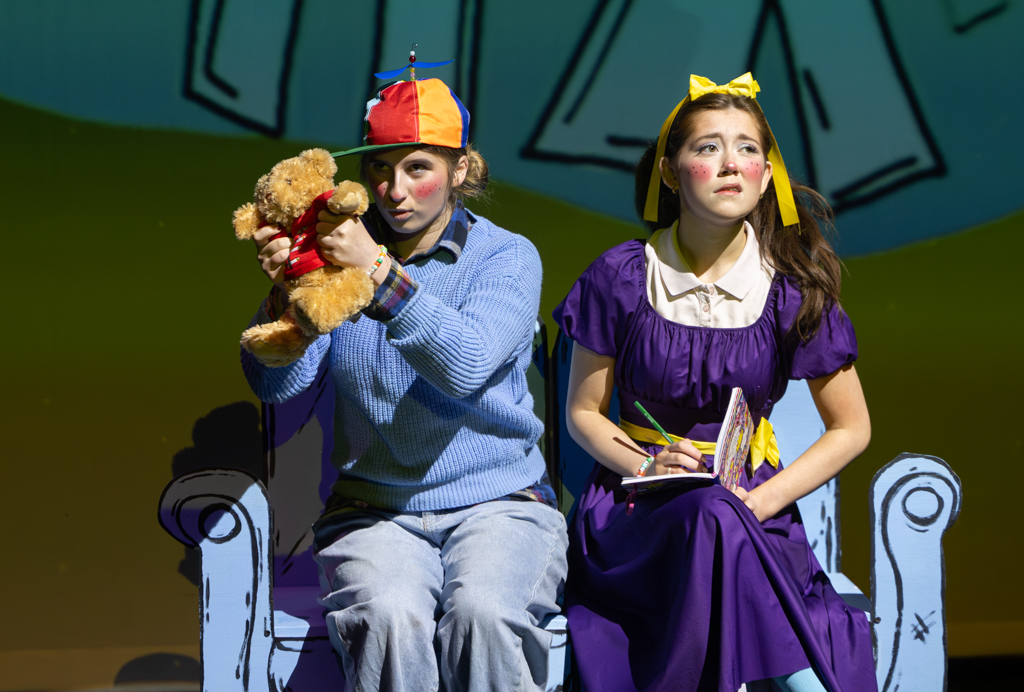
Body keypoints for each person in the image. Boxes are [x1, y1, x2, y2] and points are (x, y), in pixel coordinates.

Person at [242, 77, 568, 692]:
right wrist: (290, 295)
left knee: (485, 614)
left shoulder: (506, 257)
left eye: (418, 166)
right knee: (389, 615)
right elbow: (277, 387)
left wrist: (377, 272)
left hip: (502, 505)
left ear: (461, 168)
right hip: (375, 511)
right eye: (380, 169)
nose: (393, 190)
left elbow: (468, 365)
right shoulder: (338, 258)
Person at [553, 73, 876, 692]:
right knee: (709, 515)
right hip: (636, 510)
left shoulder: (791, 289)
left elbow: (852, 427)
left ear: (766, 170)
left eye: (748, 148)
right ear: (672, 172)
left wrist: (764, 500)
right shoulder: (622, 276)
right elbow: (584, 413)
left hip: (752, 506)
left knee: (719, 516)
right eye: (707, 148)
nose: (732, 164)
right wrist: (646, 464)